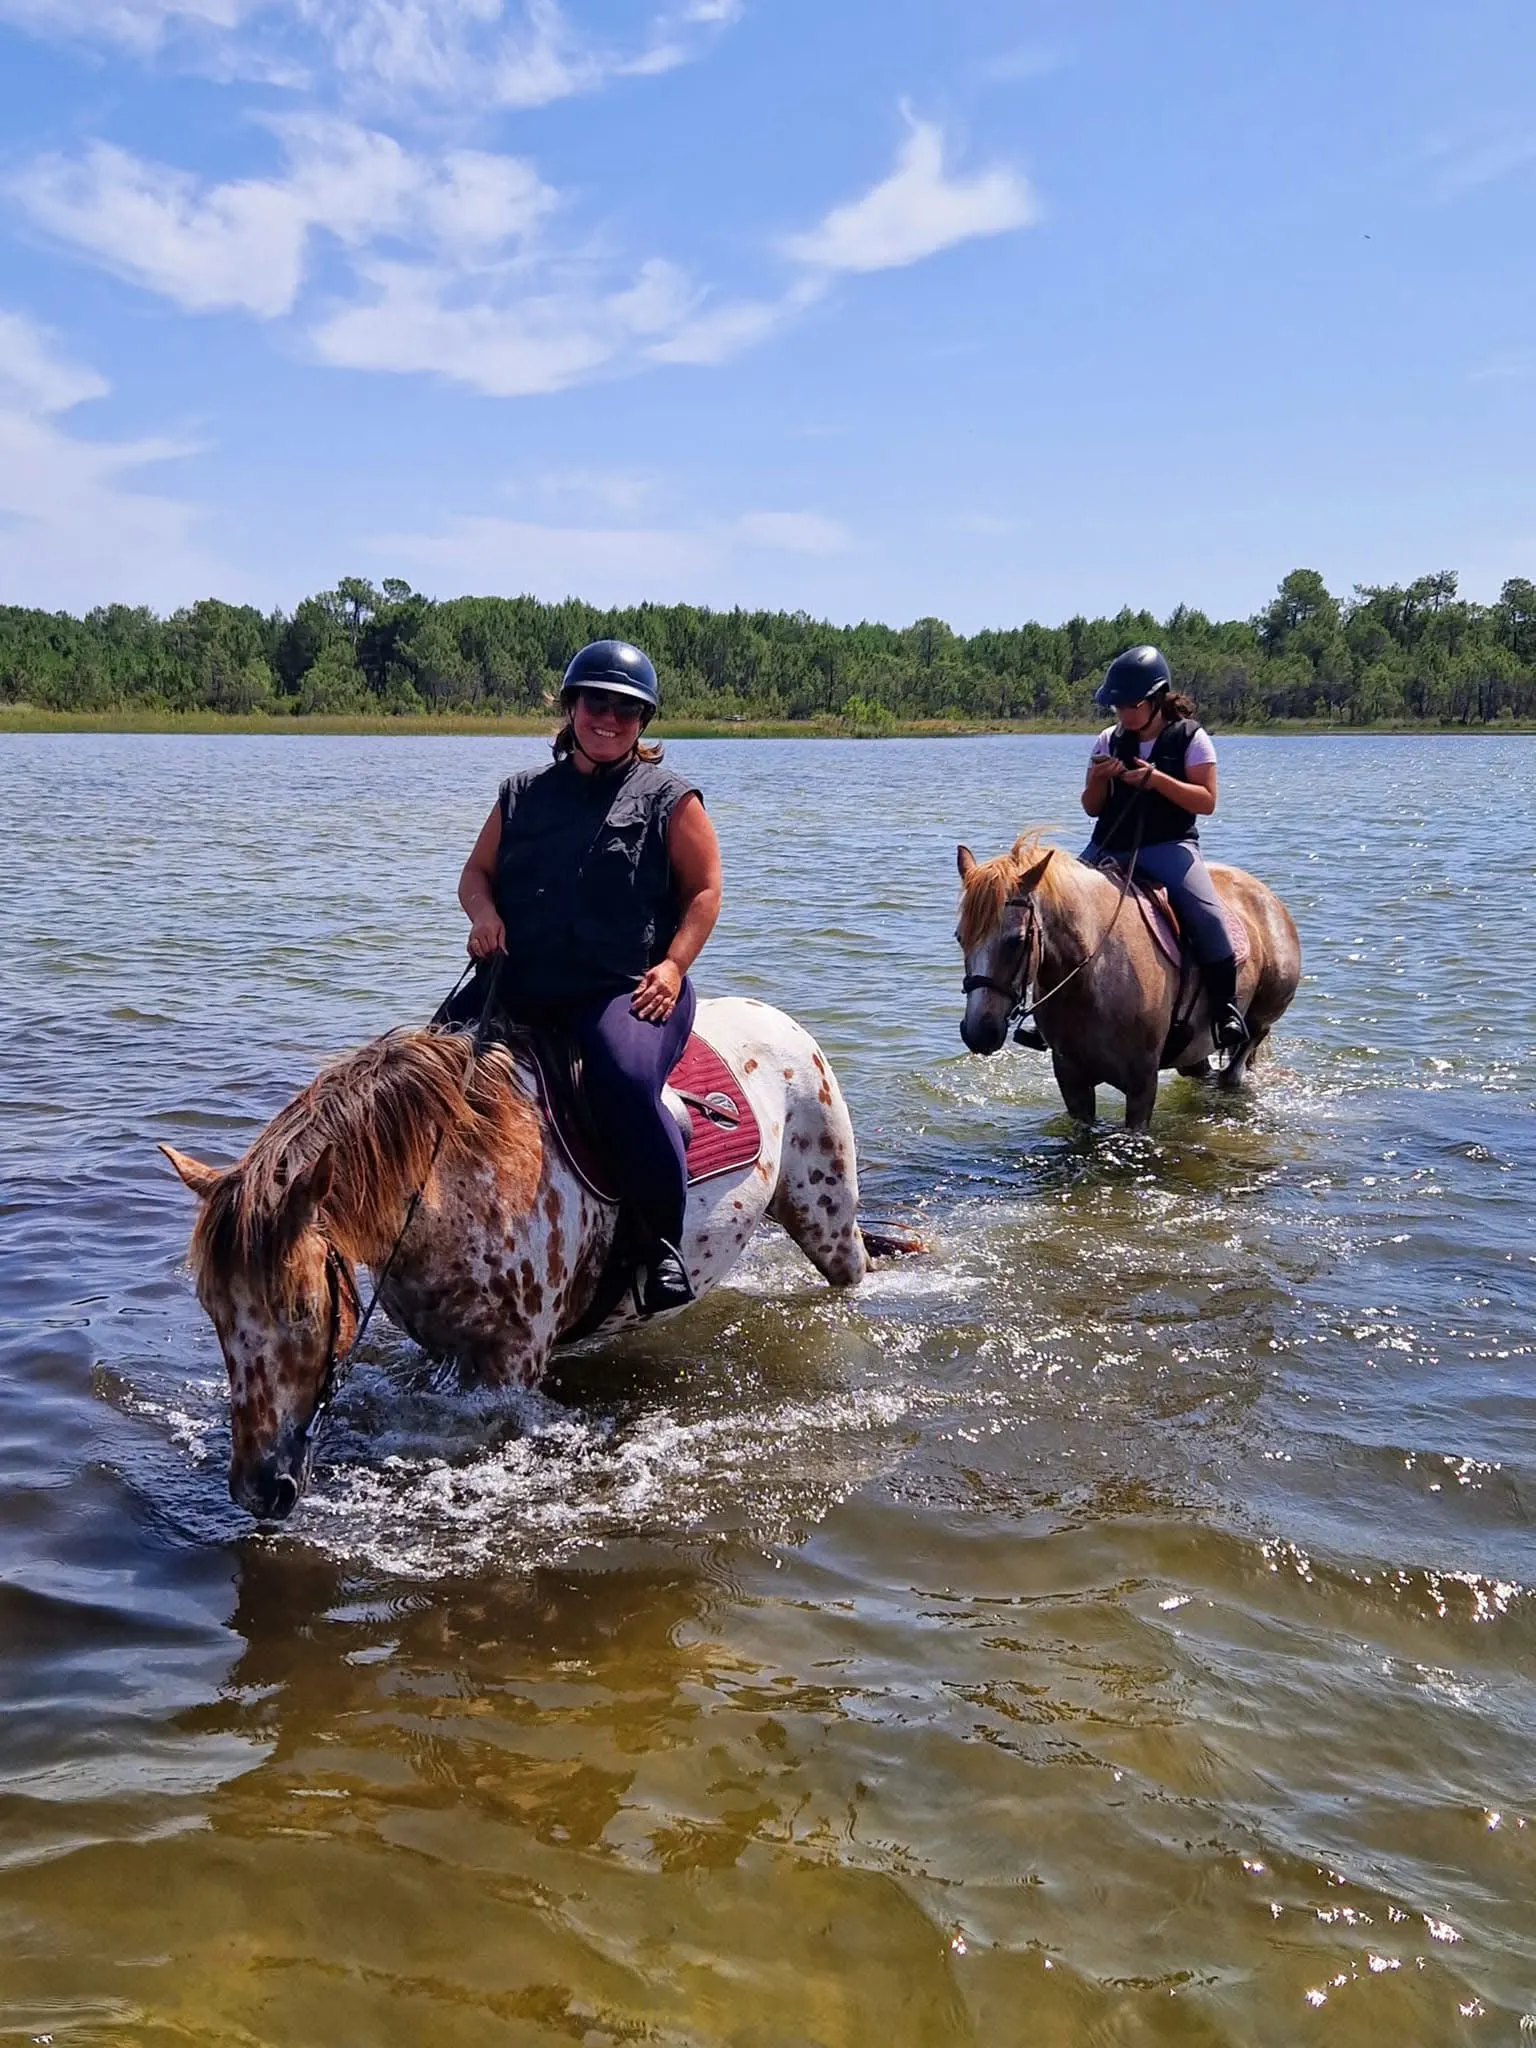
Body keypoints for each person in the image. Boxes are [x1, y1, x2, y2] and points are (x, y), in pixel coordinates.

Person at [453, 639, 722, 1314]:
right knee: (417, 1076)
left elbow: (705, 892)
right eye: (595, 703)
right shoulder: (521, 795)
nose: (608, 718)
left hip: (625, 989)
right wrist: (484, 916)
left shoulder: (669, 798)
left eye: (626, 710)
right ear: (571, 707)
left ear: (644, 722)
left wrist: (673, 964)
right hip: (518, 984)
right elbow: (475, 875)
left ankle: (660, 1243)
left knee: (624, 1081)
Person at [1076, 643, 1249, 1053]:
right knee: (1057, 904)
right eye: (1115, 707)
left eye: (1129, 706)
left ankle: (1225, 1010)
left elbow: (1206, 801)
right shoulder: (1107, 740)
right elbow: (1091, 807)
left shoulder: (1192, 738)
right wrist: (1103, 778)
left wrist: (1156, 781)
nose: (1121, 715)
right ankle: (1049, 1017)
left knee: (1205, 914)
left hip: (1170, 845)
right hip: (1108, 845)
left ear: (1155, 701)